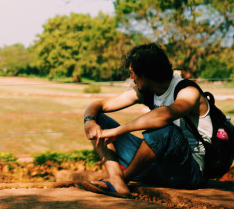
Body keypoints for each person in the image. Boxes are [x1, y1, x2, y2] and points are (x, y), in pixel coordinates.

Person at [81, 43, 212, 198]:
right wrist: (90, 120)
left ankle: (123, 178)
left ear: (146, 73)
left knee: (166, 130)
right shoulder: (146, 91)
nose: (131, 77)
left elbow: (164, 116)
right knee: (99, 119)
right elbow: (99, 105)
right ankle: (116, 180)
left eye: (133, 73)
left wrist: (118, 131)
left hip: (189, 172)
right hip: (157, 166)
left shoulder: (188, 91)